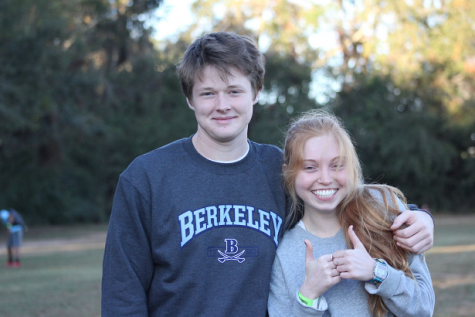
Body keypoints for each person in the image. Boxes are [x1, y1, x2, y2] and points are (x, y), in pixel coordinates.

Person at [101, 32, 434, 316]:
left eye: (234, 91)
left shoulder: (281, 170)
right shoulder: (146, 178)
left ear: (255, 92)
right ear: (190, 98)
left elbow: (340, 195)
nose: (222, 105)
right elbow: (122, 292)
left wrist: (418, 218)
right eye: (207, 93)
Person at [268, 111, 435, 316]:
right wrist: (308, 296)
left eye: (337, 165)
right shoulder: (284, 253)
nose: (326, 178)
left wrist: (376, 272)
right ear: (288, 172)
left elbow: (424, 309)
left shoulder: (384, 208)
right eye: (310, 167)